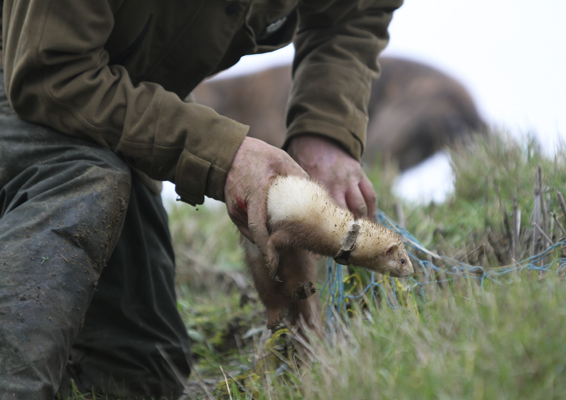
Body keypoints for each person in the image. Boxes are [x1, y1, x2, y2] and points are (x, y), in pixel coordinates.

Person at [0, 0, 402, 398]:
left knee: (137, 370)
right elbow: (51, 74)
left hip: (116, 85)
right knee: (87, 179)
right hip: (27, 75)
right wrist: (223, 155)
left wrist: (325, 127)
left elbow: (357, 8)